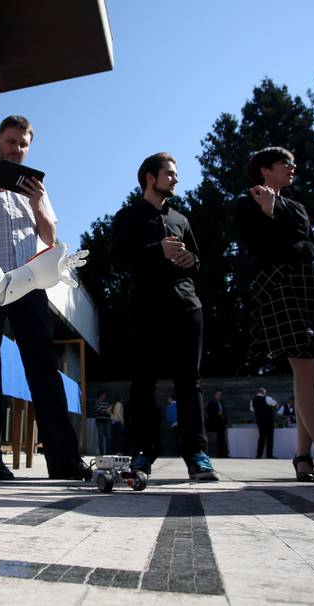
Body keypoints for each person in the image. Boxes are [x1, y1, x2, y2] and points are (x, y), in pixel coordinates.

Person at [0, 115, 89, 481]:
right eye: (10, 142)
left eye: (22, 144)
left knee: (44, 368)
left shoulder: (35, 186)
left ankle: (64, 460)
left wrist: (36, 204)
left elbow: (49, 238)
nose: (16, 150)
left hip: (29, 282)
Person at [234, 146, 314, 483]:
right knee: (304, 368)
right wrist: (268, 213)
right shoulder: (247, 204)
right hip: (279, 285)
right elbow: (260, 249)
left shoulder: (297, 207)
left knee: (311, 377)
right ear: (264, 170)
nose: (292, 167)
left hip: (312, 283)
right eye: (285, 162)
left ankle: (302, 457)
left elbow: (313, 248)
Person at [109, 152, 218, 481]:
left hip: (186, 307)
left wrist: (189, 260)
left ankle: (197, 456)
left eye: (175, 173)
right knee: (143, 383)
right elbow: (116, 261)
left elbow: (197, 262)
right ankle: (142, 454)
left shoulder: (181, 220)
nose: (176, 179)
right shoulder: (128, 217)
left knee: (190, 383)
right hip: (146, 308)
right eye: (169, 173)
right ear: (149, 178)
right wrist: (158, 250)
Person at [250, 388, 277, 459]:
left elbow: (252, 410)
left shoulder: (253, 400)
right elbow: (276, 405)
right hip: (269, 421)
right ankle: (269, 455)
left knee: (261, 438)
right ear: (263, 392)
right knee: (269, 438)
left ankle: (258, 455)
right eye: (265, 392)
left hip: (260, 421)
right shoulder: (268, 398)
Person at [206, 389, 229, 458]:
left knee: (222, 439)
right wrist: (217, 412)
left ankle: (222, 454)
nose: (219, 396)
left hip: (222, 422)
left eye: (220, 395)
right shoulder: (212, 402)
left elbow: (223, 411)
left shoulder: (221, 402)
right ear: (215, 395)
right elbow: (209, 411)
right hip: (215, 422)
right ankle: (220, 454)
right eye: (218, 394)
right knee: (219, 439)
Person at [91, 391, 113, 455]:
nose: (104, 397)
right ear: (100, 396)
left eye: (105, 395)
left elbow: (110, 411)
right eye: (103, 395)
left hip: (106, 421)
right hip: (99, 421)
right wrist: (106, 411)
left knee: (108, 437)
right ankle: (102, 452)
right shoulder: (96, 402)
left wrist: (106, 411)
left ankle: (108, 452)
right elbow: (99, 410)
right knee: (101, 437)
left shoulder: (106, 403)